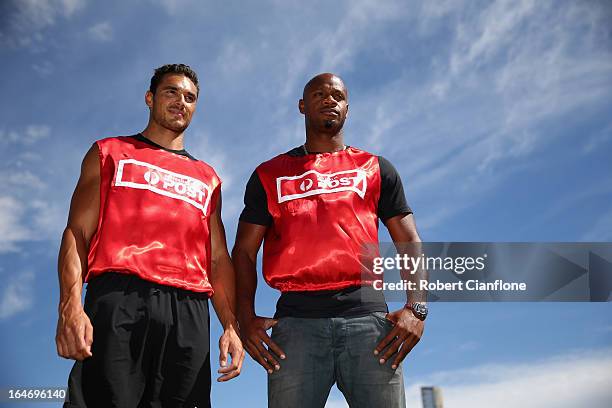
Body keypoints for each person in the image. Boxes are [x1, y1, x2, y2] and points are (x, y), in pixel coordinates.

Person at [232, 73, 426, 408]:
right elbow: (244, 252)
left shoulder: (376, 168)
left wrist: (417, 309)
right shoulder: (269, 173)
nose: (329, 99)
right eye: (319, 94)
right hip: (295, 326)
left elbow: (408, 238)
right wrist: (244, 317)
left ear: (347, 109)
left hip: (369, 323)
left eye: (337, 95)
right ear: (302, 106)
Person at [56, 64, 244, 408]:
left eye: (190, 97)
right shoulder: (109, 151)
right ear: (150, 98)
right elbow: (77, 233)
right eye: (171, 92)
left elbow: (218, 259)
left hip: (188, 311)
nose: (180, 102)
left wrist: (230, 326)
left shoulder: (208, 178)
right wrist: (70, 306)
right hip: (119, 298)